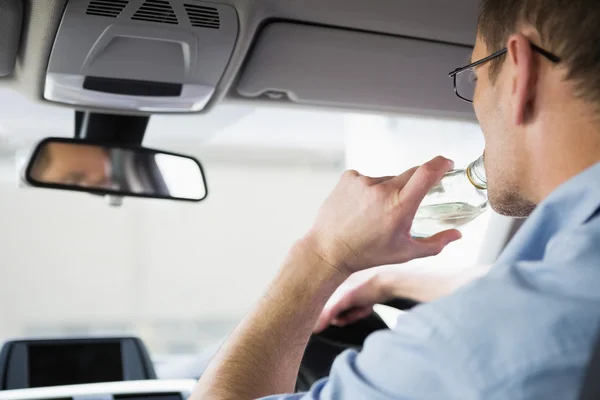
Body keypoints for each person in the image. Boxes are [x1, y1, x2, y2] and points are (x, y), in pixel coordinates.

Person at [191, 0, 600, 398]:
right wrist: (387, 282)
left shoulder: (474, 346)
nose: (475, 105)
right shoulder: (571, 282)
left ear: (518, 76)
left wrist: (322, 253)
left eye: (476, 77)